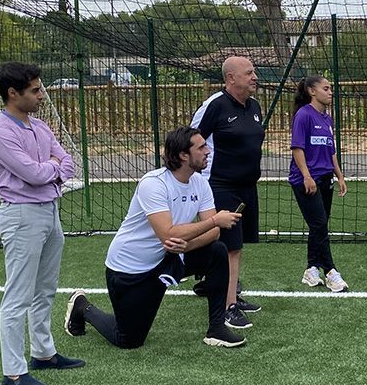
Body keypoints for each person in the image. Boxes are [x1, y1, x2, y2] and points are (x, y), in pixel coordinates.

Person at [63, 128, 247, 348]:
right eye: (201, 147)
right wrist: (214, 221)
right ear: (183, 155)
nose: (208, 151)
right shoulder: (154, 183)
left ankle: (217, 328)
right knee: (128, 340)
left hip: (168, 257)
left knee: (216, 250)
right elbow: (169, 234)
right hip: (131, 268)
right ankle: (83, 307)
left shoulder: (200, 182)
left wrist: (188, 243)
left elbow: (213, 235)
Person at [0, 61, 84, 385]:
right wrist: (52, 168)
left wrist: (52, 167)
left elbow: (67, 162)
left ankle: (43, 353)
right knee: (18, 295)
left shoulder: (40, 127)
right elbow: (35, 174)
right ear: (13, 94)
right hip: (21, 215)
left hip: (49, 211)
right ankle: (13, 373)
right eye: (35, 90)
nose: (42, 95)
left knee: (45, 289)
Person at [189, 55, 264, 324]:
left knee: (237, 245)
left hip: (247, 186)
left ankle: (228, 292)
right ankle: (227, 306)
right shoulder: (215, 106)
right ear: (231, 78)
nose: (255, 77)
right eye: (249, 72)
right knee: (230, 247)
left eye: (254, 72)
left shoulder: (254, 106)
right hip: (220, 185)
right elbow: (191, 141)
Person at [289, 74, 350, 292]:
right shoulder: (303, 116)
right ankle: (331, 272)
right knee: (319, 225)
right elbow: (297, 148)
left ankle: (311, 269)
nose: (330, 92)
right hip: (307, 181)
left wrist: (340, 176)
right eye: (326, 88)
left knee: (319, 226)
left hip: (326, 180)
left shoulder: (327, 118)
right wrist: (306, 176)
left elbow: (330, 151)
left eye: (331, 88)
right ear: (312, 91)